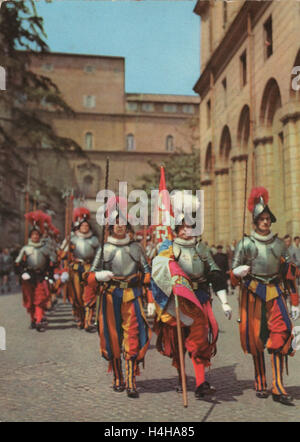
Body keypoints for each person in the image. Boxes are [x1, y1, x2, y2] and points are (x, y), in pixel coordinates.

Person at [151, 192, 232, 400]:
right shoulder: (169, 247)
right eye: (183, 227)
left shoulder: (201, 248)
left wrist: (224, 301)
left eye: (190, 226)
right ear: (177, 229)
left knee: (200, 339)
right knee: (178, 342)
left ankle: (200, 382)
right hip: (178, 300)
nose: (188, 230)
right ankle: (181, 378)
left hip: (201, 298)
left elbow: (214, 272)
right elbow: (159, 271)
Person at [230, 187, 299, 405]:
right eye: (262, 219)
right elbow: (233, 274)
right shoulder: (245, 243)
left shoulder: (280, 244)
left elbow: (289, 272)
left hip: (276, 292)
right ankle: (260, 380)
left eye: (268, 218)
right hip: (253, 292)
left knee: (280, 335)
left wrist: (295, 300)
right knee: (256, 338)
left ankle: (278, 386)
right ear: (255, 221)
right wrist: (237, 273)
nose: (266, 222)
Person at [86, 198, 152, 398]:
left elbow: (147, 274)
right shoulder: (104, 249)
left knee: (132, 335)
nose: (120, 226)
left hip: (132, 294)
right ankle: (117, 377)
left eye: (123, 223)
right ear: (111, 227)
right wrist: (98, 276)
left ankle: (131, 380)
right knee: (113, 338)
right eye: (116, 223)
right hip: (109, 296)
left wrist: (150, 300)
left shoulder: (136, 248)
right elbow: (89, 276)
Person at [15, 211, 57, 332]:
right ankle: (33, 319)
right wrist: (22, 272)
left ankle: (39, 320)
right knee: (30, 300)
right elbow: (18, 263)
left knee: (40, 299)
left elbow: (51, 263)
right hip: (28, 276)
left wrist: (50, 275)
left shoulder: (45, 249)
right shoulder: (25, 249)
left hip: (41, 276)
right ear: (30, 236)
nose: (35, 237)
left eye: (37, 235)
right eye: (33, 235)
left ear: (39, 236)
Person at [66, 207, 100, 331]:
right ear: (79, 227)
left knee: (89, 295)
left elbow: (99, 254)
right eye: (82, 225)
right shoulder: (73, 239)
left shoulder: (94, 240)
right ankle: (80, 318)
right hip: (76, 269)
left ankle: (87, 321)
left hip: (90, 268)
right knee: (77, 295)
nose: (85, 227)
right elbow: (64, 253)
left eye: (87, 225)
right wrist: (67, 250)